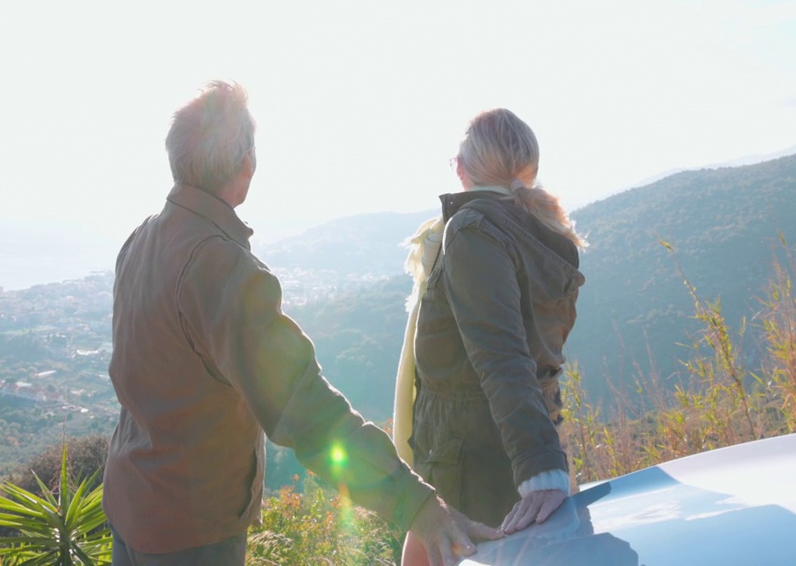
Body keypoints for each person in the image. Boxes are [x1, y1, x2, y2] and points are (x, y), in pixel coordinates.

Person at [103, 81, 500, 566]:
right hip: (191, 531)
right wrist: (418, 506)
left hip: (131, 504)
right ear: (246, 165)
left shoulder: (141, 240)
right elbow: (306, 410)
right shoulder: (221, 269)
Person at [394, 108, 587, 566]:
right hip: (522, 436)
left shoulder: (473, 230)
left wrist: (540, 470)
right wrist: (545, 458)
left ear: (465, 168)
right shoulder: (540, 229)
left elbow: (503, 355)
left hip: (471, 456)